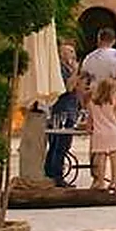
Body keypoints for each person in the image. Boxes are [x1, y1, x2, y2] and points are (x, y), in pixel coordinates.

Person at [80, 29, 116, 186]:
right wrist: (109, 90)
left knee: (96, 143)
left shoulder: (89, 58)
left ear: (99, 39)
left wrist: (85, 98)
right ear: (113, 40)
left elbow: (83, 80)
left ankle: (97, 178)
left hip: (93, 98)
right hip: (111, 98)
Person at [44, 47, 83, 186]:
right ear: (61, 54)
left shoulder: (67, 68)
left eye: (73, 51)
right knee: (60, 144)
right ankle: (56, 175)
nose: (73, 53)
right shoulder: (61, 69)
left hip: (70, 108)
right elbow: (68, 87)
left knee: (59, 144)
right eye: (69, 51)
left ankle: (51, 173)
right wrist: (76, 72)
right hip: (62, 110)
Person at [86, 77, 116, 192]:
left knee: (101, 157)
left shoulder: (92, 102)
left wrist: (89, 128)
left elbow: (90, 119)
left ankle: (101, 181)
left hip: (99, 133)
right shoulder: (113, 101)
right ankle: (113, 182)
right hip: (113, 131)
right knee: (114, 156)